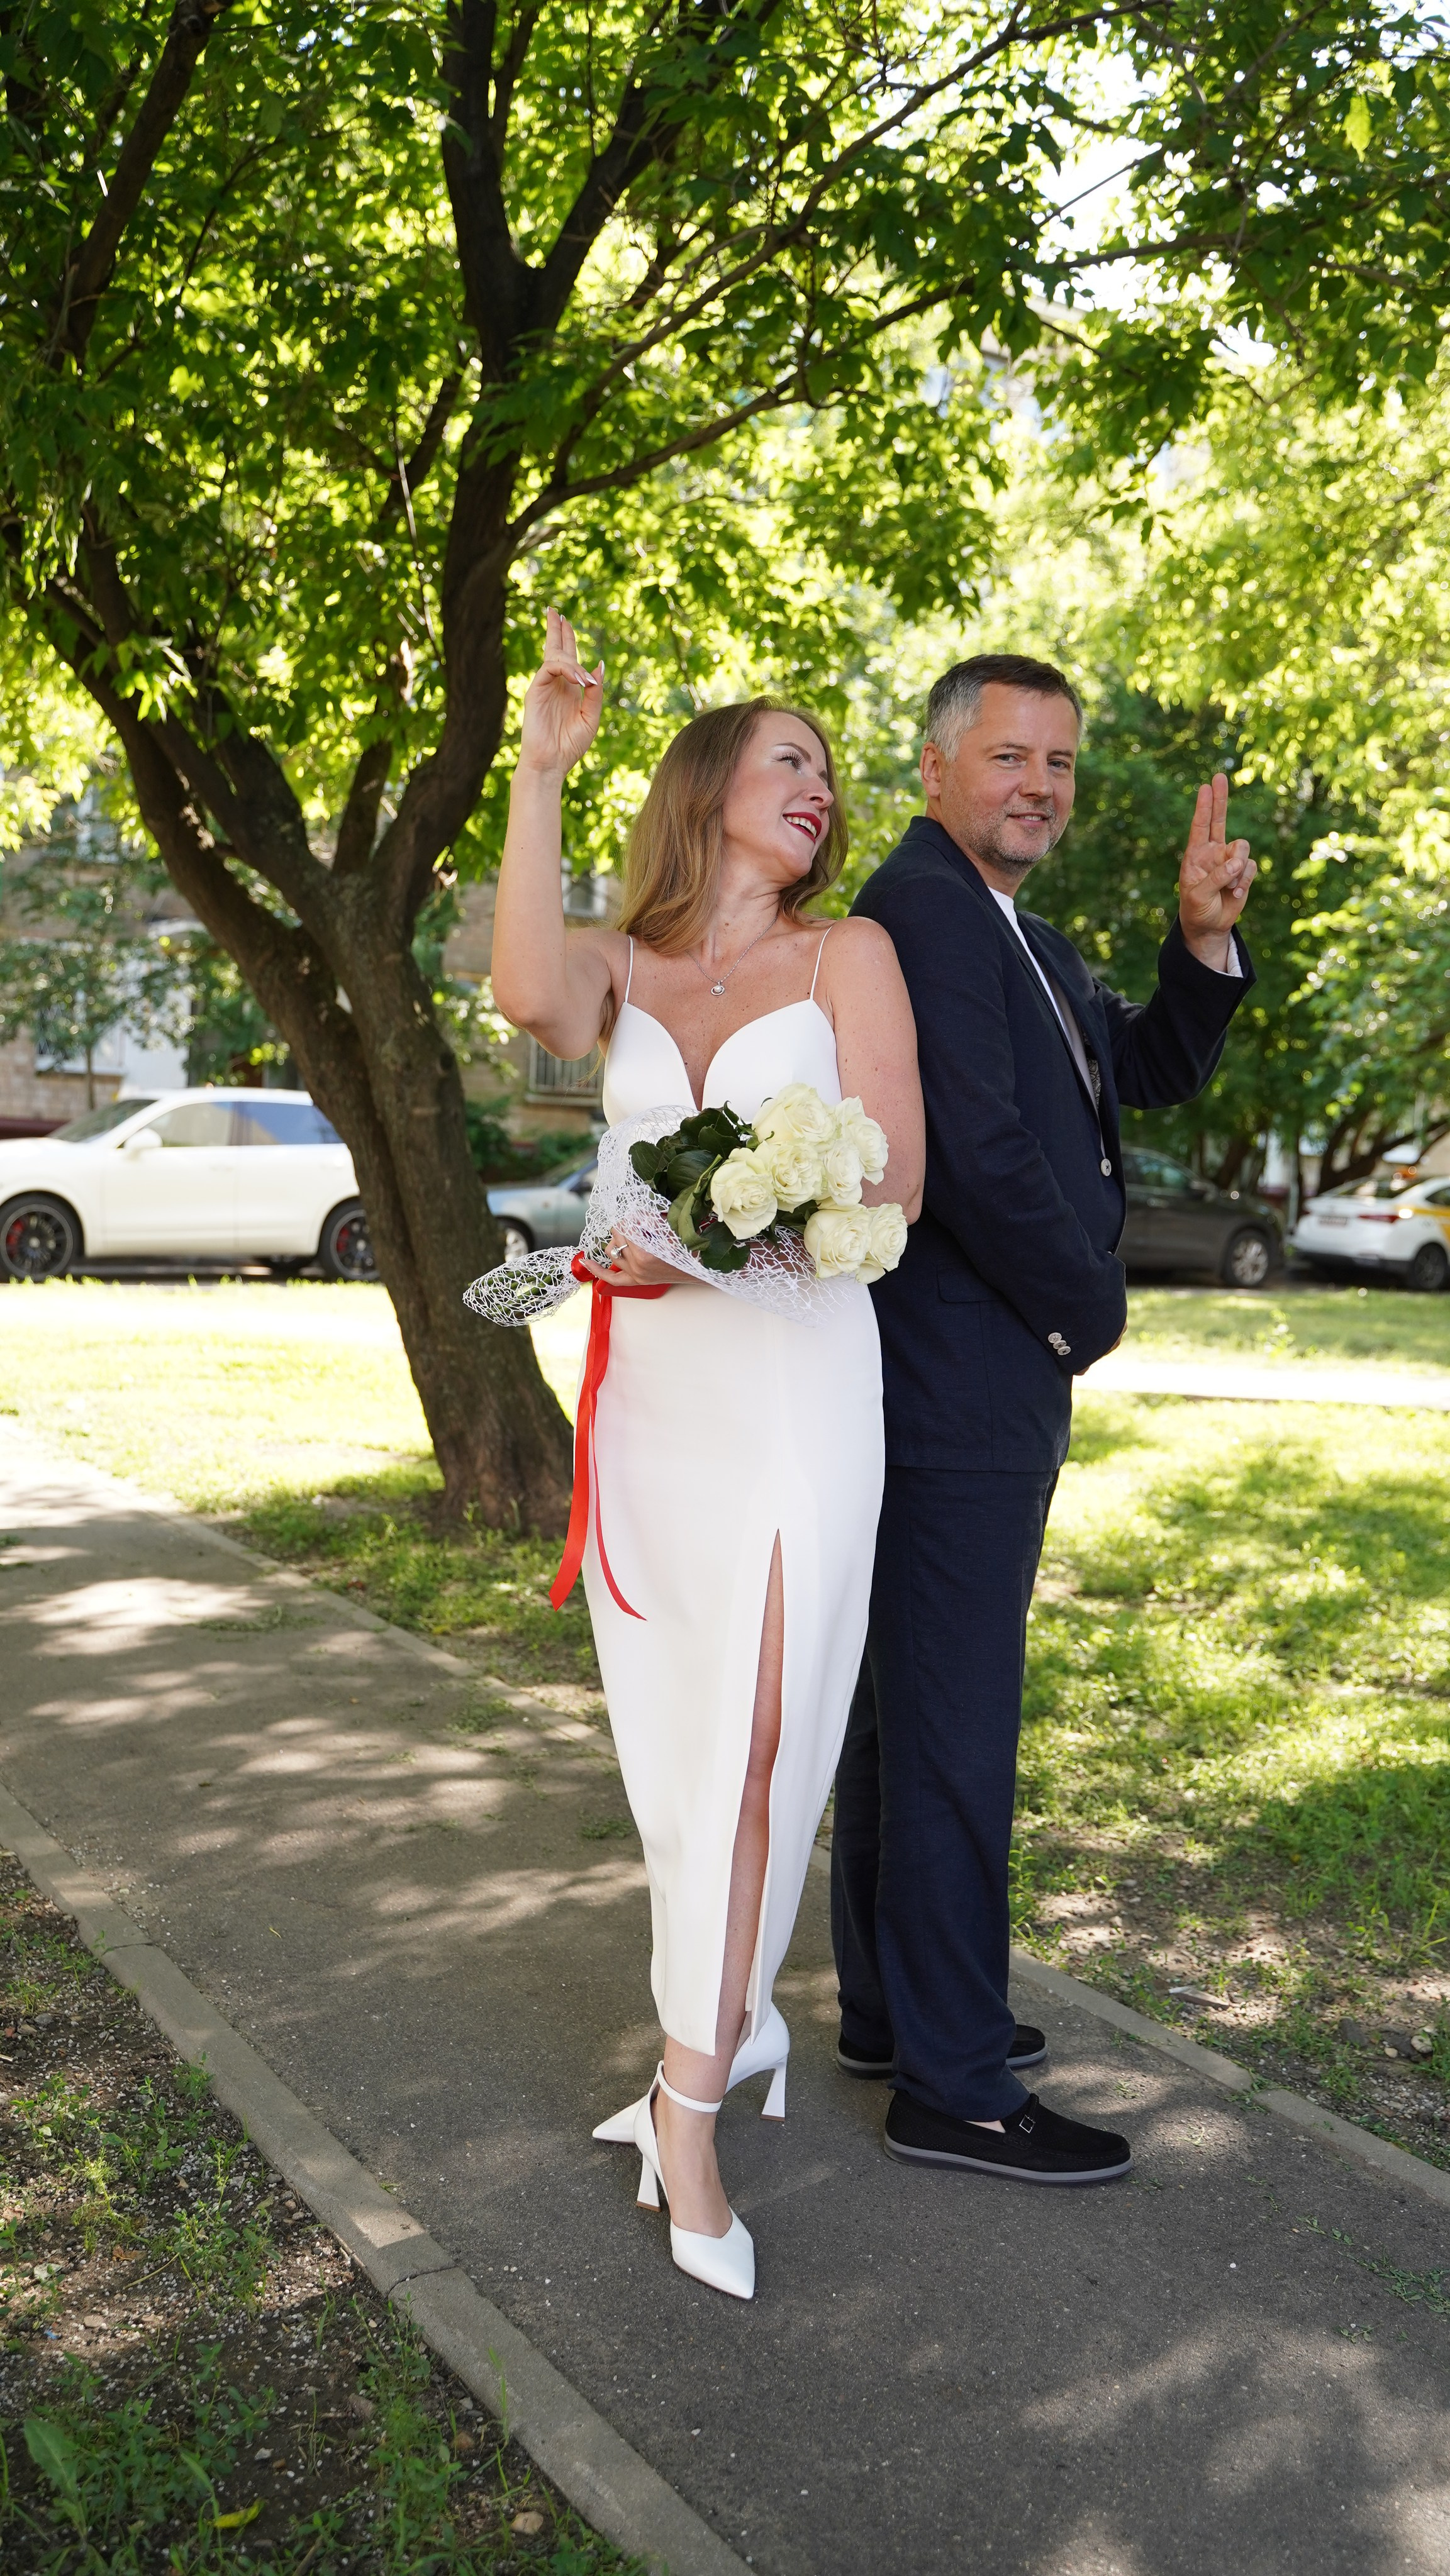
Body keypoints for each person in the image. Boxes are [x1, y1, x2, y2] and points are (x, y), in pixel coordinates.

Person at [491, 609, 924, 2299]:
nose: (819, 785)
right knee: (677, 1761)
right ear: (707, 783)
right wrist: (536, 771)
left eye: (830, 768)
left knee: (758, 1744)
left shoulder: (850, 958)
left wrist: (730, 1235)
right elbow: (529, 994)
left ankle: (689, 2104)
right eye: (790, 755)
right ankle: (731, 2026)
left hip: (802, 1389)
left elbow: (895, 1189)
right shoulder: (627, 961)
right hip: (656, 1405)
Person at [831, 652, 1257, 2184]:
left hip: (966, 1376)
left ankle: (895, 2009)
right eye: (1011, 755)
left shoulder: (1013, 926)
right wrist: (1093, 1308)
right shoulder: (924, 914)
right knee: (951, 1726)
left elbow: (1128, 1068)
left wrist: (1200, 942)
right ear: (936, 764)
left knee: (902, 1711)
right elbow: (979, 1151)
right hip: (958, 1375)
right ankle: (952, 2082)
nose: (1041, 785)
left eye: (1060, 763)